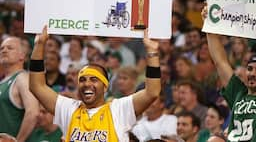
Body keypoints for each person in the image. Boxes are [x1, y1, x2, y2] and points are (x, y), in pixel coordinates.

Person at [29, 27, 162, 141]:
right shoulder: (69, 109)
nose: (87, 84)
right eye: (82, 80)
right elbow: (37, 87)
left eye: (94, 79)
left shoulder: (119, 109)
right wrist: (39, 45)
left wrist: (152, 52)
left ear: (105, 87)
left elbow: (152, 92)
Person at [204, 7, 256, 141]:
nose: (253, 73)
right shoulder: (238, 92)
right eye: (250, 68)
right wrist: (209, 26)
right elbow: (220, 62)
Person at [0, 36, 39, 142]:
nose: (4, 50)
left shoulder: (22, 78)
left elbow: (33, 112)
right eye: (2, 48)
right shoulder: (3, 82)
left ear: (22, 55)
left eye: (10, 48)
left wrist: (18, 141)